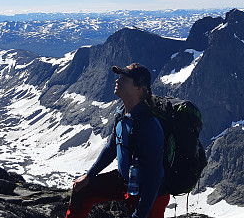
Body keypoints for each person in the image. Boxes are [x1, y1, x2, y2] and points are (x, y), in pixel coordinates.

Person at [65, 63, 169, 218]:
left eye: (124, 79)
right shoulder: (121, 113)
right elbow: (111, 148)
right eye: (119, 77)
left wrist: (140, 214)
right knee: (82, 190)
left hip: (152, 195)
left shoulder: (149, 125)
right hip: (127, 182)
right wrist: (89, 176)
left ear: (139, 88)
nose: (117, 81)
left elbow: (154, 177)